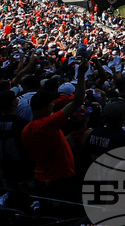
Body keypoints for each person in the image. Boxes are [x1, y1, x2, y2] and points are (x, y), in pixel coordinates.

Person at [21, 55, 89, 217]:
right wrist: (81, 74)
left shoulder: (26, 129)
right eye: (52, 104)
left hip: (42, 177)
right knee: (67, 215)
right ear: (46, 107)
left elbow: (31, 156)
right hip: (60, 178)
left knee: (47, 214)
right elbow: (78, 100)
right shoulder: (47, 124)